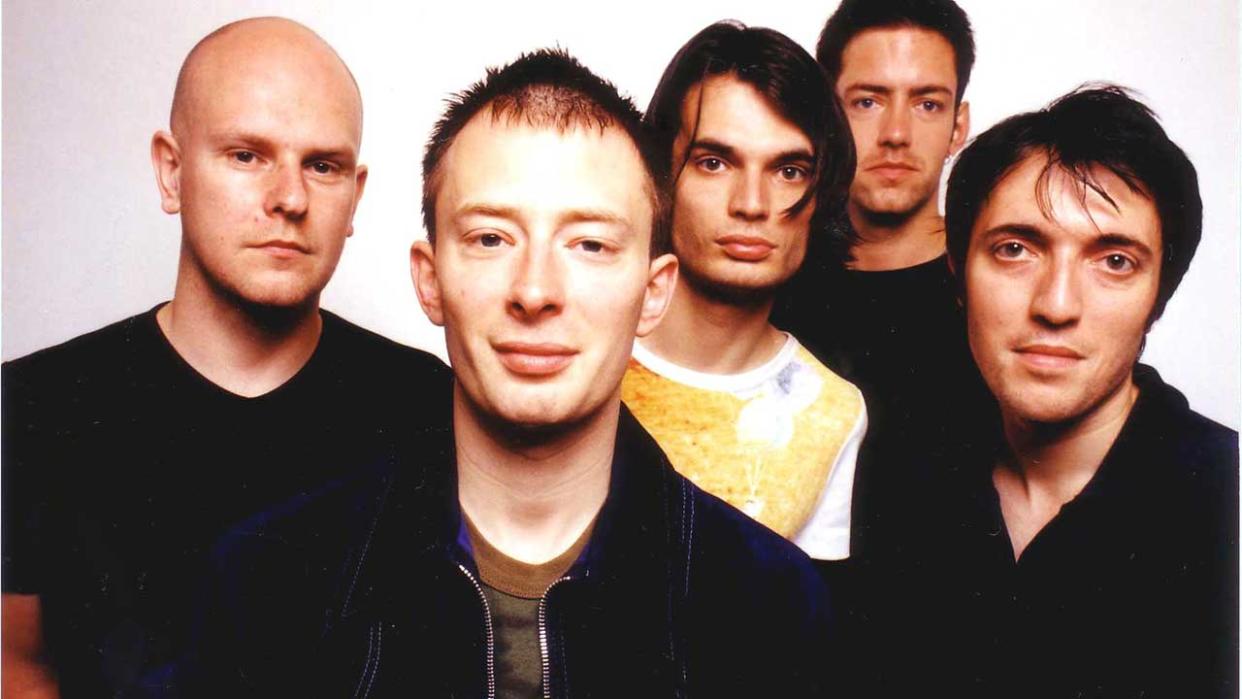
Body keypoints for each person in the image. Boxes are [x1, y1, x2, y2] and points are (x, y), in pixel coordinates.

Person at [185, 49, 835, 697]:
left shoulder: (770, 602)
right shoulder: (268, 579)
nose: (534, 290)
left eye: (590, 244)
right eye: (491, 238)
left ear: (654, 290)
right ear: (430, 277)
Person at [1, 17, 450, 697]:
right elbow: (17, 663)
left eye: (322, 166)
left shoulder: (427, 407)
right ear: (172, 170)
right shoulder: (34, 406)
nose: (289, 199)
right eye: (246, 155)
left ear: (354, 196)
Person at [914, 85, 1237, 697]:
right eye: (1015, 250)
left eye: (1114, 260)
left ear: (1158, 295)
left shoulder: (1226, 500)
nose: (1057, 305)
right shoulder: (900, 480)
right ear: (957, 273)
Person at [621, 21, 864, 564]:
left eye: (789, 170)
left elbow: (803, 627)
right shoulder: (581, 350)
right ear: (662, 172)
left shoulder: (833, 411)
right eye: (714, 162)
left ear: (821, 190)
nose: (751, 203)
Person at [774, 0, 991, 568]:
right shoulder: (770, 281)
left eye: (927, 103)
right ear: (828, 114)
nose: (896, 134)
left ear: (958, 125)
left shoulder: (1000, 287)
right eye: (868, 101)